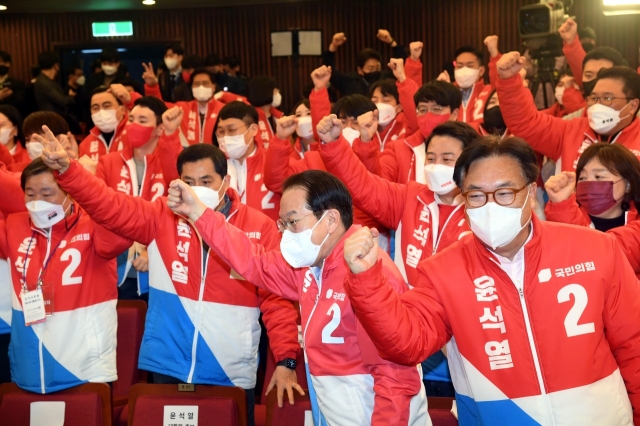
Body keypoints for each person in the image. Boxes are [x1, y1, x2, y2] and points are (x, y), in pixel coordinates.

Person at [342, 135, 640, 425]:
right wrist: (367, 279)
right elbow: (406, 344)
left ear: (530, 191)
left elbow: (634, 345)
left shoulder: (596, 248)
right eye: (476, 195)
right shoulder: (442, 271)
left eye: (504, 192)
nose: (490, 204)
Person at [39, 140, 301, 426]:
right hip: (167, 363)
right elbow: (110, 205)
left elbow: (277, 300)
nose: (196, 188)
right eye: (188, 181)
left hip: (230, 368)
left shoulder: (258, 226)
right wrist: (69, 170)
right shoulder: (160, 214)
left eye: (205, 180)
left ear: (226, 181)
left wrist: (286, 359)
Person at [165, 169, 429, 425]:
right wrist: (199, 213)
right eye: (283, 224)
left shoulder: (371, 274)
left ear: (330, 220)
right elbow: (253, 260)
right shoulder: (312, 266)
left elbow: (396, 378)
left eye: (293, 222)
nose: (285, 233)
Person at [318, 116, 478, 396]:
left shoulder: (482, 213)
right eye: (431, 157)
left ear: (469, 164)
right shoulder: (410, 198)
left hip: (465, 341)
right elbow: (362, 184)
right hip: (405, 333)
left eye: (447, 158)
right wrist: (334, 144)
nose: (436, 166)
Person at [0, 149, 131, 394]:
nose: (37, 201)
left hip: (83, 368)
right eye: (30, 193)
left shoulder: (95, 224)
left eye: (47, 193)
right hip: (28, 366)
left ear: (71, 192)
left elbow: (121, 235)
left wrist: (88, 184)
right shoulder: (14, 224)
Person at [96, 97, 183, 300]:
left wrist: (154, 253)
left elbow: (180, 214)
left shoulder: (170, 163)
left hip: (163, 270)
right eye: (132, 119)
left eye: (143, 120)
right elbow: (98, 213)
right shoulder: (108, 163)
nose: (134, 125)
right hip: (116, 270)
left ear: (159, 129)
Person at [496, 53, 640, 173]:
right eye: (594, 98)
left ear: (632, 106)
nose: (598, 104)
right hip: (567, 208)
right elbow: (526, 123)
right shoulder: (569, 131)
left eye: (607, 98)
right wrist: (509, 80)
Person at [378, 79, 462, 184]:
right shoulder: (396, 150)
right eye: (422, 110)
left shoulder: (469, 149)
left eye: (436, 109)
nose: (428, 116)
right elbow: (377, 184)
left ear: (454, 114)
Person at [545, 143, 640, 232]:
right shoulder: (561, 222)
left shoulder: (636, 229)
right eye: (582, 178)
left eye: (598, 176)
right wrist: (561, 204)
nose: (588, 182)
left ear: (628, 185)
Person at [143, 65, 224, 146]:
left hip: (217, 156)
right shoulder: (182, 108)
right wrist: (152, 86)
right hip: (187, 156)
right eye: (197, 84)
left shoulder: (223, 109)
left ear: (214, 86)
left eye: (205, 83)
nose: (201, 87)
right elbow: (157, 105)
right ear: (192, 87)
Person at [322, 30, 405, 96]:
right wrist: (333, 46)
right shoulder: (349, 82)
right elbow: (329, 70)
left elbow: (400, 64)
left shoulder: (386, 79)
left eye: (377, 67)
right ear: (360, 70)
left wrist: (392, 42)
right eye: (370, 68)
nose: (375, 71)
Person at [79, 84, 141, 161]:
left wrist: (131, 100)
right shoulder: (85, 145)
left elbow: (151, 116)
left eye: (107, 106)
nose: (101, 112)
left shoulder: (135, 132)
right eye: (95, 108)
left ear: (122, 109)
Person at [437, 46, 492, 131]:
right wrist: (441, 90)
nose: (464, 70)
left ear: (481, 71)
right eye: (460, 66)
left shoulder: (490, 92)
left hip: (482, 143)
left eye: (469, 66)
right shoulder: (448, 93)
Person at [33, 51, 76, 118]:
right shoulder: (43, 82)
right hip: (51, 120)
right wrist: (71, 96)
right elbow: (62, 101)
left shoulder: (46, 80)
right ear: (56, 65)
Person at [246, 76, 283, 148]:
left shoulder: (278, 116)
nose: (278, 93)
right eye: (275, 91)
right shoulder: (251, 117)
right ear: (265, 92)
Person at [0, 50, 27, 116]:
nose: (2, 64)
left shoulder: (17, 84)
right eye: (0, 62)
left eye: (5, 62)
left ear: (9, 64)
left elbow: (21, 104)